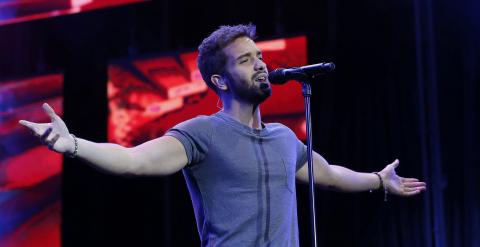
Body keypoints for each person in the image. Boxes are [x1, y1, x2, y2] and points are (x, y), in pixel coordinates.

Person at [19, 24, 426, 246]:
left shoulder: (284, 138)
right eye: (246, 61)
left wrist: (378, 181)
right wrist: (71, 144)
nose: (261, 65)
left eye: (261, 56)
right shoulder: (202, 134)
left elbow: (331, 175)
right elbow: (134, 162)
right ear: (220, 80)